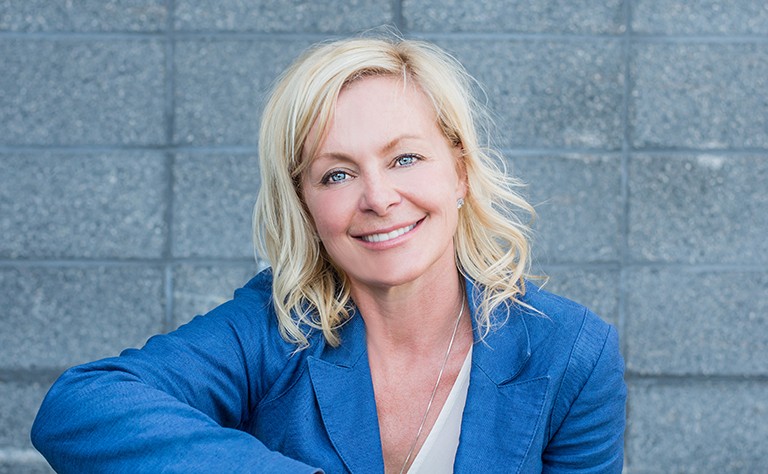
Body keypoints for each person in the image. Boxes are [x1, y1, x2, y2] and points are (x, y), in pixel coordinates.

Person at [31, 35, 626, 473]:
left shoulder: (571, 352)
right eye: (337, 174)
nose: (378, 198)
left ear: (461, 173)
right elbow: (80, 406)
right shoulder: (275, 327)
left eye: (405, 159)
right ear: (307, 205)